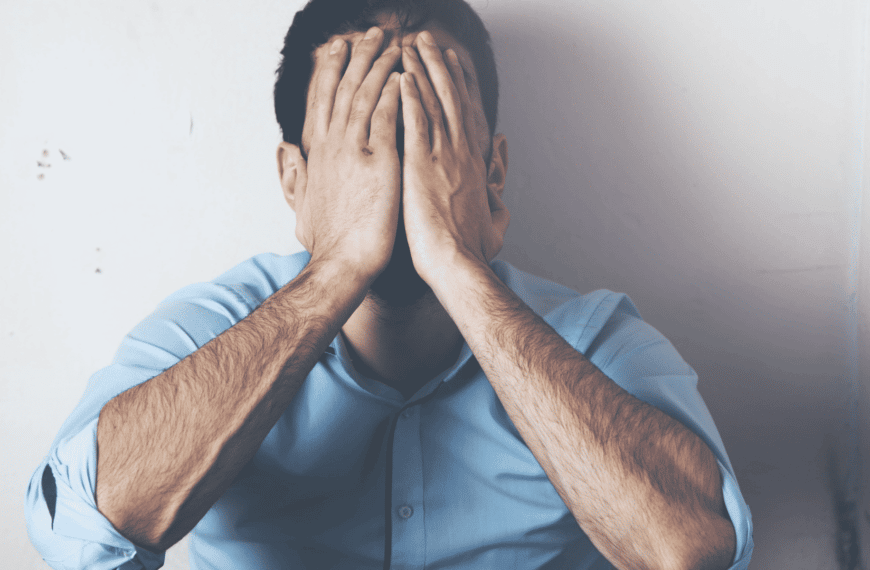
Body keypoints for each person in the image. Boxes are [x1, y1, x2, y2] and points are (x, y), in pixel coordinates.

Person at [25, 0, 754, 568]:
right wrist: (338, 266)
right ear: (295, 178)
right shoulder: (211, 329)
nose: (396, 180)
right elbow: (83, 536)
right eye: (364, 145)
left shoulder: (597, 341)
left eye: (427, 140)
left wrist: (458, 268)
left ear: (491, 174)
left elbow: (691, 549)